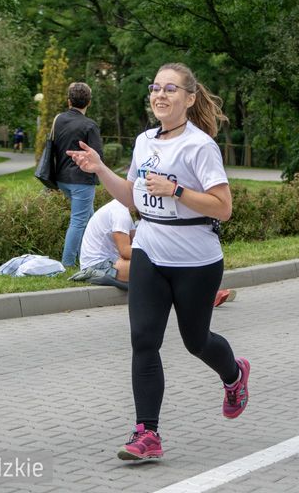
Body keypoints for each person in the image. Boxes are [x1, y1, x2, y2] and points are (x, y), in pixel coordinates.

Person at [66, 62, 249, 460]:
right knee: (144, 341)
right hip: (150, 251)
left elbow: (223, 208)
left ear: (189, 98)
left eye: (170, 89)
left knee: (195, 341)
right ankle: (146, 434)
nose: (160, 95)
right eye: (155, 88)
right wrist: (99, 169)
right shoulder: (144, 141)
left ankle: (234, 375)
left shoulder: (200, 146)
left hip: (197, 260)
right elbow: (131, 198)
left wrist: (176, 189)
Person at [70, 198, 238, 305]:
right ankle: (204, 297)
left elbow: (139, 244)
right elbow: (126, 251)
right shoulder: (119, 212)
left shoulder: (125, 210)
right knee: (157, 269)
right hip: (99, 266)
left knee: (162, 269)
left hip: (112, 262)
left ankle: (203, 296)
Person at [52, 82, 103, 267]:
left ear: (68, 102)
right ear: (89, 102)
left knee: (90, 219)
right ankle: (67, 264)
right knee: (79, 222)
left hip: (61, 179)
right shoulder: (90, 125)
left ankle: (88, 257)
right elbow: (98, 157)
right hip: (81, 180)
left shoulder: (58, 120)